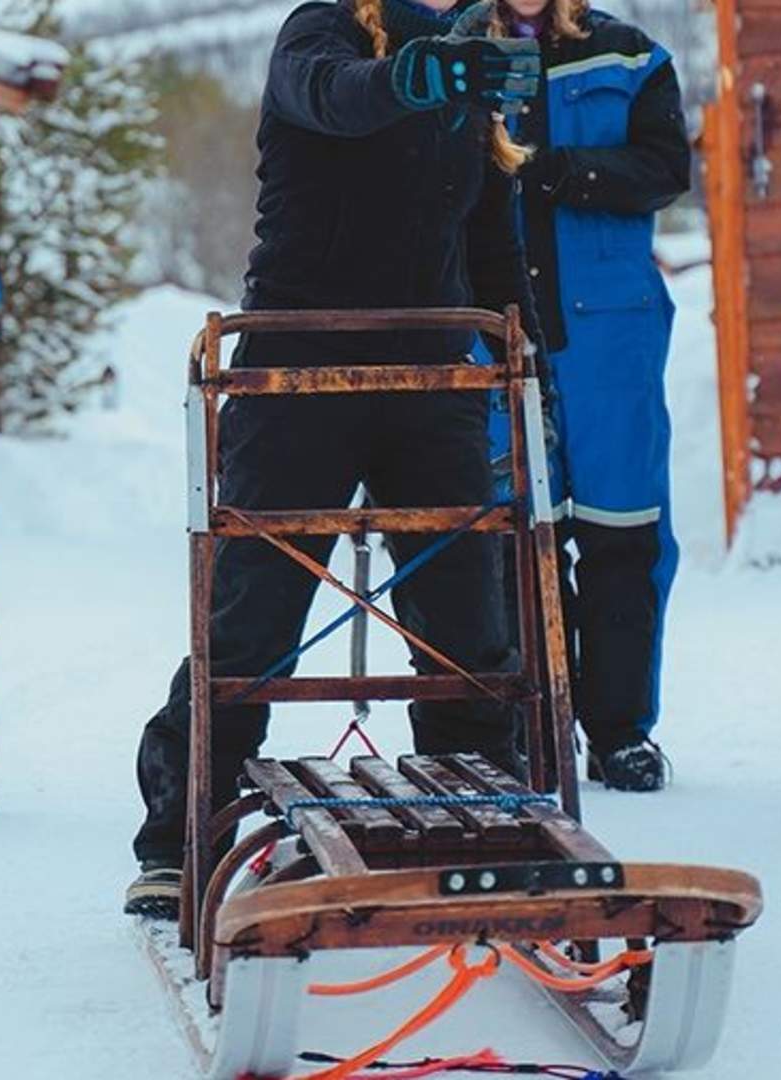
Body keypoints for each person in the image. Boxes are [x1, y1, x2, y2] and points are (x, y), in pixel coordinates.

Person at [123, 0, 543, 918]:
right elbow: (335, 97)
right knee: (252, 623)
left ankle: (482, 813)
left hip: (434, 373)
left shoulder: (475, 66)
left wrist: (529, 360)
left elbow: (487, 243)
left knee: (466, 625)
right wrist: (422, 74)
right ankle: (180, 837)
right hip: (298, 368)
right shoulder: (323, 31)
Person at [481, 0, 691, 792]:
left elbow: (666, 169)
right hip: (496, 336)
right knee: (512, 540)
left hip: (611, 333)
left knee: (622, 535)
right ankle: (531, 726)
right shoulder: (457, 51)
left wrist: (565, 171)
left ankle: (620, 731)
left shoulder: (630, 57)